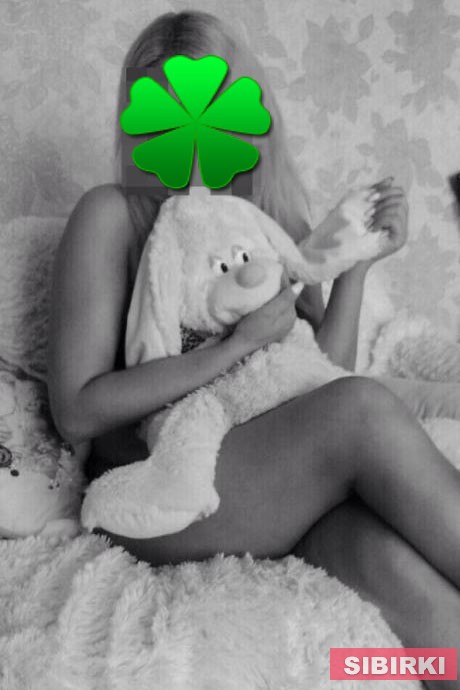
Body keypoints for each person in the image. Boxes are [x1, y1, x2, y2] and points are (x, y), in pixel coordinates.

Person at [47, 10, 460, 686]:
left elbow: (319, 376)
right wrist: (232, 347)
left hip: (269, 482)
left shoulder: (267, 218)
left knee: (394, 572)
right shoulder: (112, 214)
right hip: (160, 491)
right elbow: (76, 410)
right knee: (361, 408)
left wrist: (355, 267)